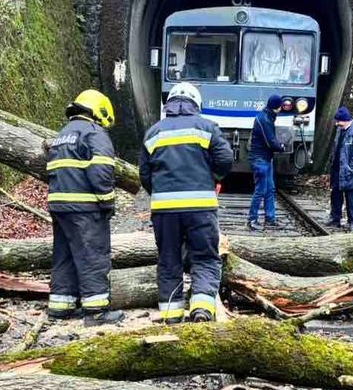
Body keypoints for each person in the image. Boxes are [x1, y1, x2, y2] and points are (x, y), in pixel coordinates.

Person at [139, 82, 234, 324]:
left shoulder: (153, 133)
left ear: (169, 104)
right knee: (204, 257)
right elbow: (225, 159)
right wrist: (213, 177)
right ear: (196, 104)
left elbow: (145, 175)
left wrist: (160, 193)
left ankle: (171, 316)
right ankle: (201, 309)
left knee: (168, 260)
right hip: (200, 208)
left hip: (164, 211)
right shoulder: (207, 127)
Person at [45, 89, 123, 327]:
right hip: (85, 207)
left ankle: (60, 306)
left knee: (65, 255)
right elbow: (101, 172)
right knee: (92, 255)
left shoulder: (62, 134)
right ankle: (96, 311)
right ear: (99, 111)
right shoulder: (94, 133)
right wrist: (108, 201)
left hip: (59, 205)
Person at [247, 94, 286, 231]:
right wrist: (281, 147)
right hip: (260, 159)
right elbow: (270, 141)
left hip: (265, 159)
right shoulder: (264, 119)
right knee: (260, 190)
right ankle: (252, 220)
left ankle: (270, 218)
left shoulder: (267, 116)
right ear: (278, 107)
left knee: (269, 189)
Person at [326, 106, 353, 232]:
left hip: (349, 171)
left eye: (338, 121)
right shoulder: (340, 130)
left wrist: (351, 168)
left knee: (351, 198)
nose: (337, 123)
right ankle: (335, 219)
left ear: (345, 120)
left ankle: (352, 222)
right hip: (338, 170)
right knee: (336, 195)